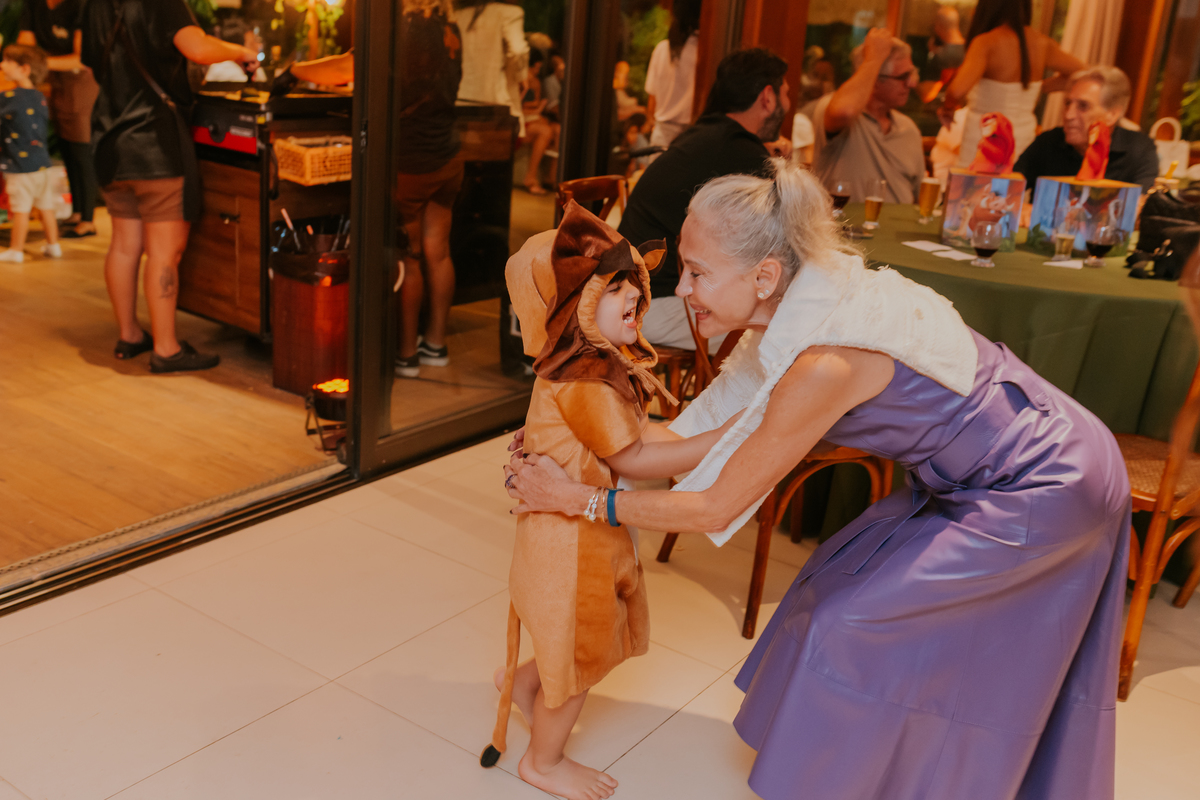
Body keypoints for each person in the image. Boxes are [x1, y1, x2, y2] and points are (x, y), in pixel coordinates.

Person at [504, 159, 1129, 800]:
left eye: (697, 274)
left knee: (849, 627)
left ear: (765, 275)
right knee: (826, 592)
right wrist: (561, 437)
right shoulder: (792, 313)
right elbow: (681, 442)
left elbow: (713, 506)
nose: (682, 291)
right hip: (970, 474)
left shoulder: (824, 359)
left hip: (1044, 482)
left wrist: (580, 500)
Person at [489, 201, 741, 800]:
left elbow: (630, 442)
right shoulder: (586, 381)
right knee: (578, 655)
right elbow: (635, 459)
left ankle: (522, 682)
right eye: (612, 287)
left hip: (569, 534)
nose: (632, 295)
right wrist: (725, 440)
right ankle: (543, 763)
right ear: (574, 310)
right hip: (569, 548)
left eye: (632, 284)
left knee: (574, 641)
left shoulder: (585, 365)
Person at [82, 0, 257, 372]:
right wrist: (242, 50)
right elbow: (197, 47)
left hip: (111, 139)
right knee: (165, 252)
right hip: (154, 141)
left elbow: (92, 62)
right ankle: (166, 349)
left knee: (125, 245)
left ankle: (129, 335)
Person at [618, 47, 791, 353]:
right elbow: (786, 231)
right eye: (786, 94)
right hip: (657, 306)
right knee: (788, 329)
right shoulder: (739, 151)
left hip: (632, 295)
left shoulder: (708, 138)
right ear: (768, 97)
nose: (788, 105)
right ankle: (733, 400)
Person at [391, 0, 464, 377]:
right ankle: (435, 344)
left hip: (412, 161)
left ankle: (406, 354)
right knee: (438, 251)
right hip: (447, 155)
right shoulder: (449, 29)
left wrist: (296, 70)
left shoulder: (405, 29)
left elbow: (351, 67)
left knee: (410, 256)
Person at [941, 0, 1085, 169]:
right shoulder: (1042, 43)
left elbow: (957, 90)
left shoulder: (986, 42)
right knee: (1017, 187)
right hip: (1022, 136)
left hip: (984, 136)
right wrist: (1037, 88)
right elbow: (1084, 73)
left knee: (974, 190)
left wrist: (948, 107)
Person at [812, 28, 924, 204]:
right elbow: (844, 110)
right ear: (875, 80)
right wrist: (874, 59)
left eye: (912, 74)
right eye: (904, 76)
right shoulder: (833, 109)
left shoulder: (908, 128)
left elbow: (920, 198)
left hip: (898, 229)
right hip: (843, 229)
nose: (912, 83)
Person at [18, 0, 99, 239]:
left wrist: (37, 63)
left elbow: (82, 58)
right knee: (65, 143)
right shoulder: (34, 5)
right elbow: (25, 45)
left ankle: (87, 219)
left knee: (81, 147)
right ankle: (75, 213)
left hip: (82, 80)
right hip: (54, 78)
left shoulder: (81, 6)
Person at [1015, 66, 1159, 191]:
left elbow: (1143, 206)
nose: (1068, 115)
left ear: (1112, 115)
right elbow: (1003, 190)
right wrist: (1022, 208)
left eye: (1083, 106)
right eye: (1067, 103)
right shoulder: (1047, 142)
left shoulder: (1139, 150)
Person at [0, 45, 61, 263]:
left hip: (20, 164)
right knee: (46, 206)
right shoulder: (39, 96)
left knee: (21, 209)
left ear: (24, 69)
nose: (2, 65)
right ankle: (53, 245)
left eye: (8, 61)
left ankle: (16, 249)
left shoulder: (9, 98)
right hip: (42, 162)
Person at [456, 0, 529, 136]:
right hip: (495, 103)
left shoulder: (458, 15)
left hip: (460, 102)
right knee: (496, 151)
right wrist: (520, 76)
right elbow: (518, 51)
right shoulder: (508, 13)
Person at [643, 0, 700, 150]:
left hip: (661, 136)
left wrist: (652, 122)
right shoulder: (702, 55)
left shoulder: (661, 50)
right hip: (690, 137)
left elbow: (652, 101)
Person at [519, 48, 558, 194]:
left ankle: (551, 179)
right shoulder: (524, 80)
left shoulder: (534, 81)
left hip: (532, 117)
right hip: (522, 120)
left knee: (557, 130)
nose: (537, 71)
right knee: (545, 131)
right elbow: (520, 106)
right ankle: (530, 177)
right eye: (537, 67)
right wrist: (537, 107)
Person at [923, 4, 966, 82]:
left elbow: (928, 88)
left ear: (940, 25)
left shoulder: (940, 56)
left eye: (935, 24)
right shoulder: (970, 49)